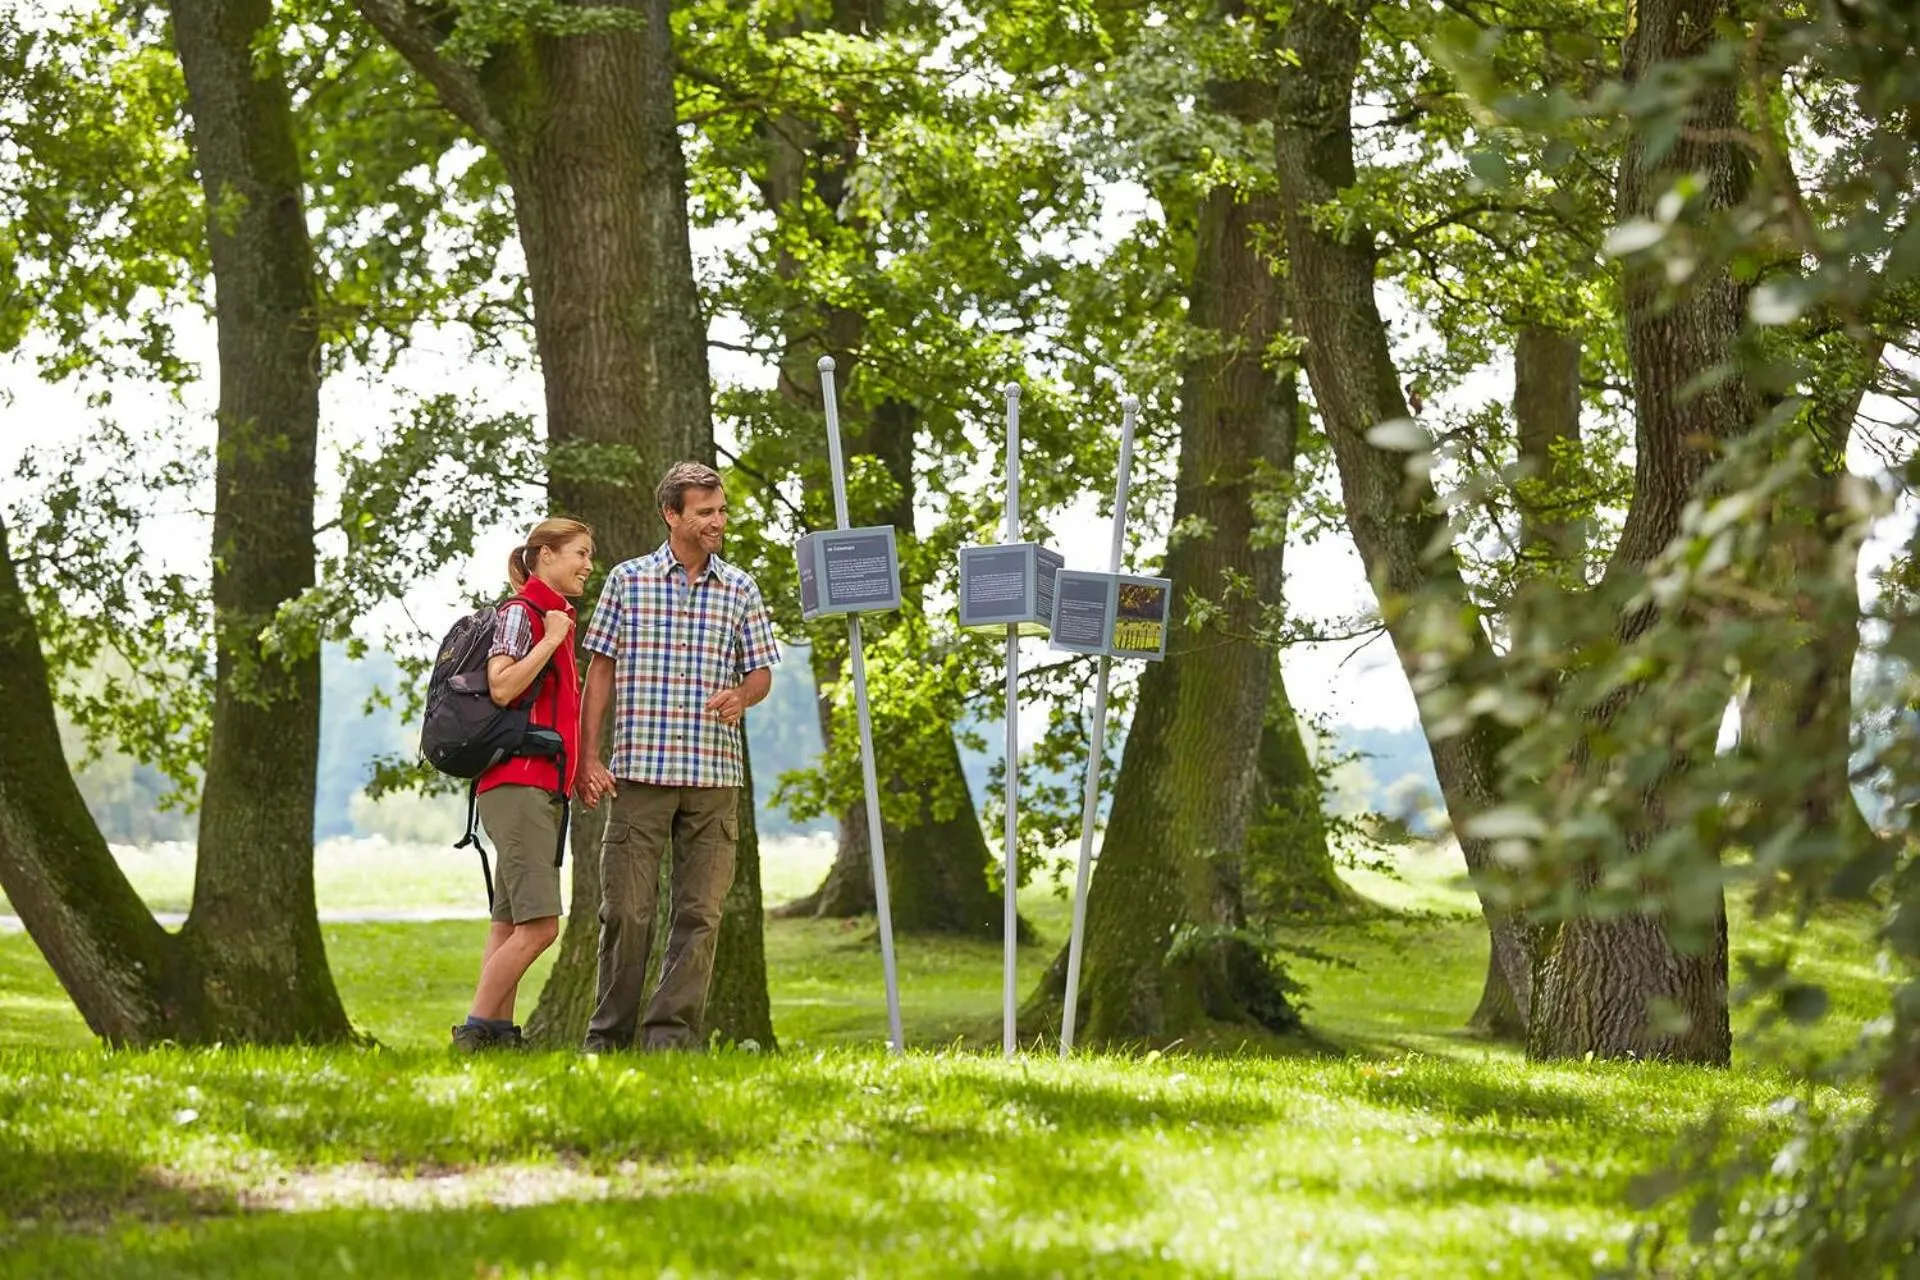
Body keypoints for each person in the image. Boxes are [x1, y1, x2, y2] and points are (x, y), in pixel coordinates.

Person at [576, 461, 778, 1052]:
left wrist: (742, 695)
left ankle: (669, 1040)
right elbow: (600, 673)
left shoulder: (740, 588)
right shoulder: (627, 581)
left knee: (699, 916)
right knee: (626, 912)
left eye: (721, 510)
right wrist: (589, 758)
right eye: (705, 512)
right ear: (672, 514)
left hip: (714, 778)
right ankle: (607, 1041)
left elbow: (761, 673)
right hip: (639, 774)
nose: (718, 522)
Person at [451, 517, 594, 1052]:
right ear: (545, 555)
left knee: (509, 924)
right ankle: (474, 1032)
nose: (587, 565)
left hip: (534, 786)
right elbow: (503, 686)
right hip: (520, 785)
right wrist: (552, 639)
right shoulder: (523, 614)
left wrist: (579, 772)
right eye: (580, 553)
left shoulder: (551, 616)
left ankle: (499, 1038)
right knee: (540, 928)